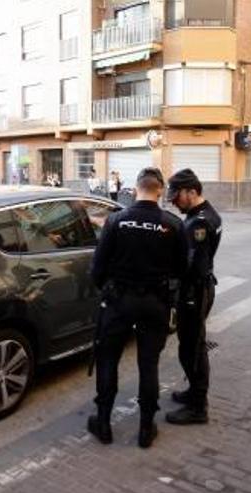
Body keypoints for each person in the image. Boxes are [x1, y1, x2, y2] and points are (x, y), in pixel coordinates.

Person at [89, 167, 188, 449]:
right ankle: (146, 429)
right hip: (155, 304)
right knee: (149, 365)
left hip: (118, 301)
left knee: (107, 361)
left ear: (135, 188)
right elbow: (183, 269)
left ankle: (104, 424)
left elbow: (97, 267)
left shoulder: (116, 221)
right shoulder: (172, 224)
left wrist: (107, 290)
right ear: (159, 191)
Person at [164, 169, 222, 426]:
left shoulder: (198, 222)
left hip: (194, 293)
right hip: (199, 289)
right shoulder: (205, 214)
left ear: (192, 191)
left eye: (177, 196)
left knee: (193, 349)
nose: (174, 201)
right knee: (191, 346)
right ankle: (193, 394)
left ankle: (198, 407)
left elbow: (192, 266)